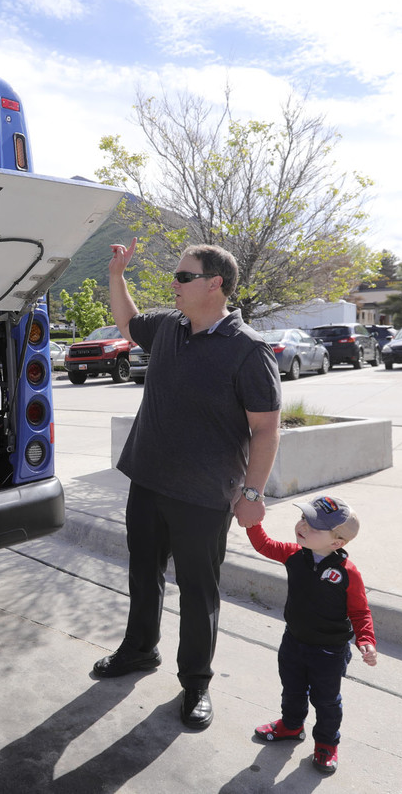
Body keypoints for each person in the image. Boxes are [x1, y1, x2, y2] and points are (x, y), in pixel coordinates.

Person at [93, 240, 282, 732]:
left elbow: (265, 429)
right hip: (148, 479)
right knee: (143, 574)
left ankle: (195, 682)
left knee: (199, 592)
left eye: (183, 277)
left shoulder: (249, 350)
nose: (173, 285)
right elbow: (128, 324)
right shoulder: (171, 327)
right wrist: (118, 275)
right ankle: (139, 650)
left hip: (203, 494)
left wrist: (253, 493)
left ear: (214, 283)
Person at [247, 495, 377, 775]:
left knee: (327, 700)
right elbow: (264, 544)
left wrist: (366, 641)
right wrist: (252, 521)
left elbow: (360, 612)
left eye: (313, 526)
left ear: (336, 543)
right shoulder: (293, 554)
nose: (302, 526)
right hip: (293, 641)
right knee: (292, 689)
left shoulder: (347, 573)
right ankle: (291, 726)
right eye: (304, 518)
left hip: (329, 652)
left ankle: (327, 743)